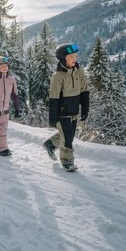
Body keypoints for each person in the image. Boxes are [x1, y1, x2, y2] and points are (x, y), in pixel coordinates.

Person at [43, 43, 89, 172]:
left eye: (75, 56)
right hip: (62, 113)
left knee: (69, 135)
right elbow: (54, 98)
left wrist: (85, 109)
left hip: (74, 110)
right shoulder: (57, 76)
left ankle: (50, 144)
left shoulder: (79, 71)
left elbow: (84, 91)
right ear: (63, 58)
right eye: (71, 56)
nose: (75, 58)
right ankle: (67, 161)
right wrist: (52, 117)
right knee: (68, 138)